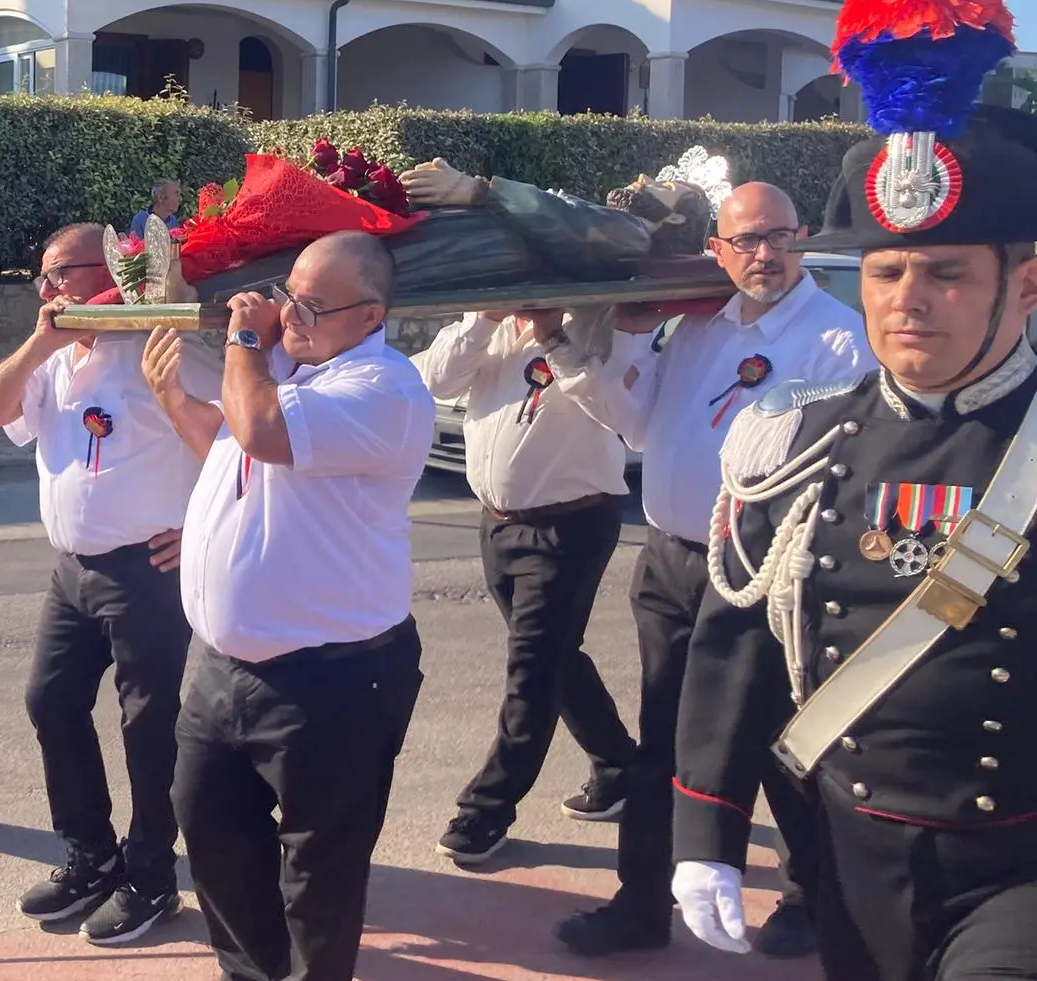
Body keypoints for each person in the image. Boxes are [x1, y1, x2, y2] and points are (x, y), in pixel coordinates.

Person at [672, 0, 1037, 980]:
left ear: (1023, 285)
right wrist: (704, 831)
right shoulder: (793, 445)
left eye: (943, 273)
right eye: (883, 273)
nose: (906, 301)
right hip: (846, 854)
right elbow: (732, 647)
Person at [552, 179, 865, 959]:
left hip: (765, 569)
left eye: (778, 235)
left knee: (773, 740)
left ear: (801, 237)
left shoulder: (837, 337)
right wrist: (626, 333)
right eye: (746, 240)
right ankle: (640, 904)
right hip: (671, 561)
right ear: (717, 251)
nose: (764, 253)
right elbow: (636, 423)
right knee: (664, 738)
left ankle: (809, 891)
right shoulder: (700, 328)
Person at [156, 231, 433, 981]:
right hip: (221, 670)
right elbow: (230, 442)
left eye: (312, 305)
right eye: (288, 295)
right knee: (210, 833)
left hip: (332, 681)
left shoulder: (386, 388)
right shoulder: (286, 367)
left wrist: (249, 336)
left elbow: (263, 429)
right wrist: (178, 396)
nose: (291, 315)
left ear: (370, 314)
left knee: (319, 874)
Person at [0, 222, 215, 946]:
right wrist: (40, 342)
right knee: (50, 701)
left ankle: (150, 874)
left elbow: (231, 432)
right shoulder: (51, 357)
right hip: (72, 571)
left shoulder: (154, 342)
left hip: (147, 570)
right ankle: (90, 851)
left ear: (106, 272)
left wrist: (198, 523)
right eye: (40, 278)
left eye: (58, 275)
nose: (45, 290)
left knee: (148, 725)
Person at [414, 305, 637, 867]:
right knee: (555, 661)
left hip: (570, 524)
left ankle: (487, 807)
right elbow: (436, 381)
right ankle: (621, 768)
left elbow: (619, 412)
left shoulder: (595, 319)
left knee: (532, 673)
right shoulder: (482, 320)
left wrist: (552, 334)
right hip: (498, 524)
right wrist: (486, 319)